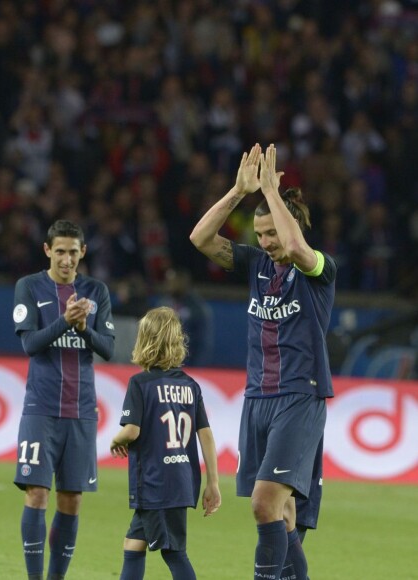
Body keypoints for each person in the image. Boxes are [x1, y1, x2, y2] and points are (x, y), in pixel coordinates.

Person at [189, 143, 336, 580]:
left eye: (272, 233)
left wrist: (272, 191)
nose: (267, 242)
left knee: (263, 504)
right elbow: (199, 239)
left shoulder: (320, 269)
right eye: (261, 235)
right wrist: (239, 191)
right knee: (284, 516)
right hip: (258, 399)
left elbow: (295, 244)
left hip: (299, 397)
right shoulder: (255, 264)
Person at [12, 219, 115, 580]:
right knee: (37, 494)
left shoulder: (96, 291)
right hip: (40, 409)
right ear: (47, 251)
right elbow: (29, 344)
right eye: (60, 252)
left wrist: (85, 328)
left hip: (81, 412)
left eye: (73, 252)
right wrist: (65, 322)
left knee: (71, 500)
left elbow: (109, 349)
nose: (67, 260)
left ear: (83, 252)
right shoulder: (29, 287)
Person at [110, 306, 221, 580]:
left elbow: (131, 431)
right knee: (133, 544)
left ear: (144, 340)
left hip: (155, 481)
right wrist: (213, 482)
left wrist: (116, 439)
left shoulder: (140, 384)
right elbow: (205, 434)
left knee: (173, 552)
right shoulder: (190, 385)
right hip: (181, 479)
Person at [156, 266, 213, 367]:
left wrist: (197, 368)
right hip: (164, 365)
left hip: (188, 364)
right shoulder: (163, 304)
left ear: (183, 282)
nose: (169, 285)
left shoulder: (197, 308)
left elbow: (203, 342)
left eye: (173, 281)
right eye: (168, 281)